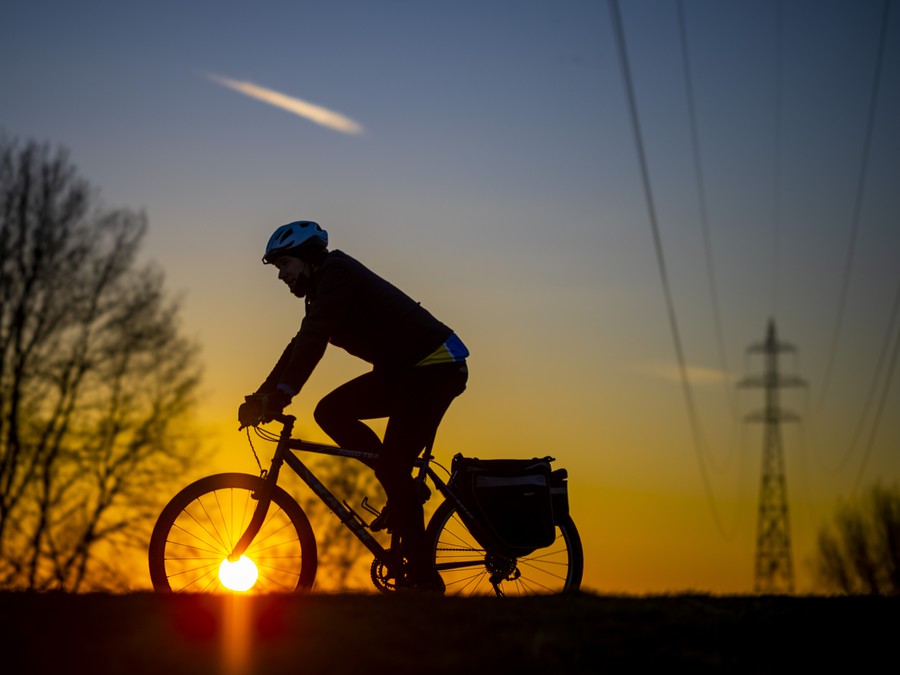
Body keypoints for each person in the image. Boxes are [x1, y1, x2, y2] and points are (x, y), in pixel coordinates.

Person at [238, 220, 468, 593]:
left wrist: (281, 395)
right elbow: (301, 342)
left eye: (284, 265)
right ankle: (401, 490)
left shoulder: (337, 274)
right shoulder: (323, 287)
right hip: (405, 371)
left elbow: (314, 339)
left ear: (307, 257)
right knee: (331, 413)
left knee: (393, 467)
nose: (281, 276)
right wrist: (263, 394)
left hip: (435, 366)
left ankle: (424, 580)